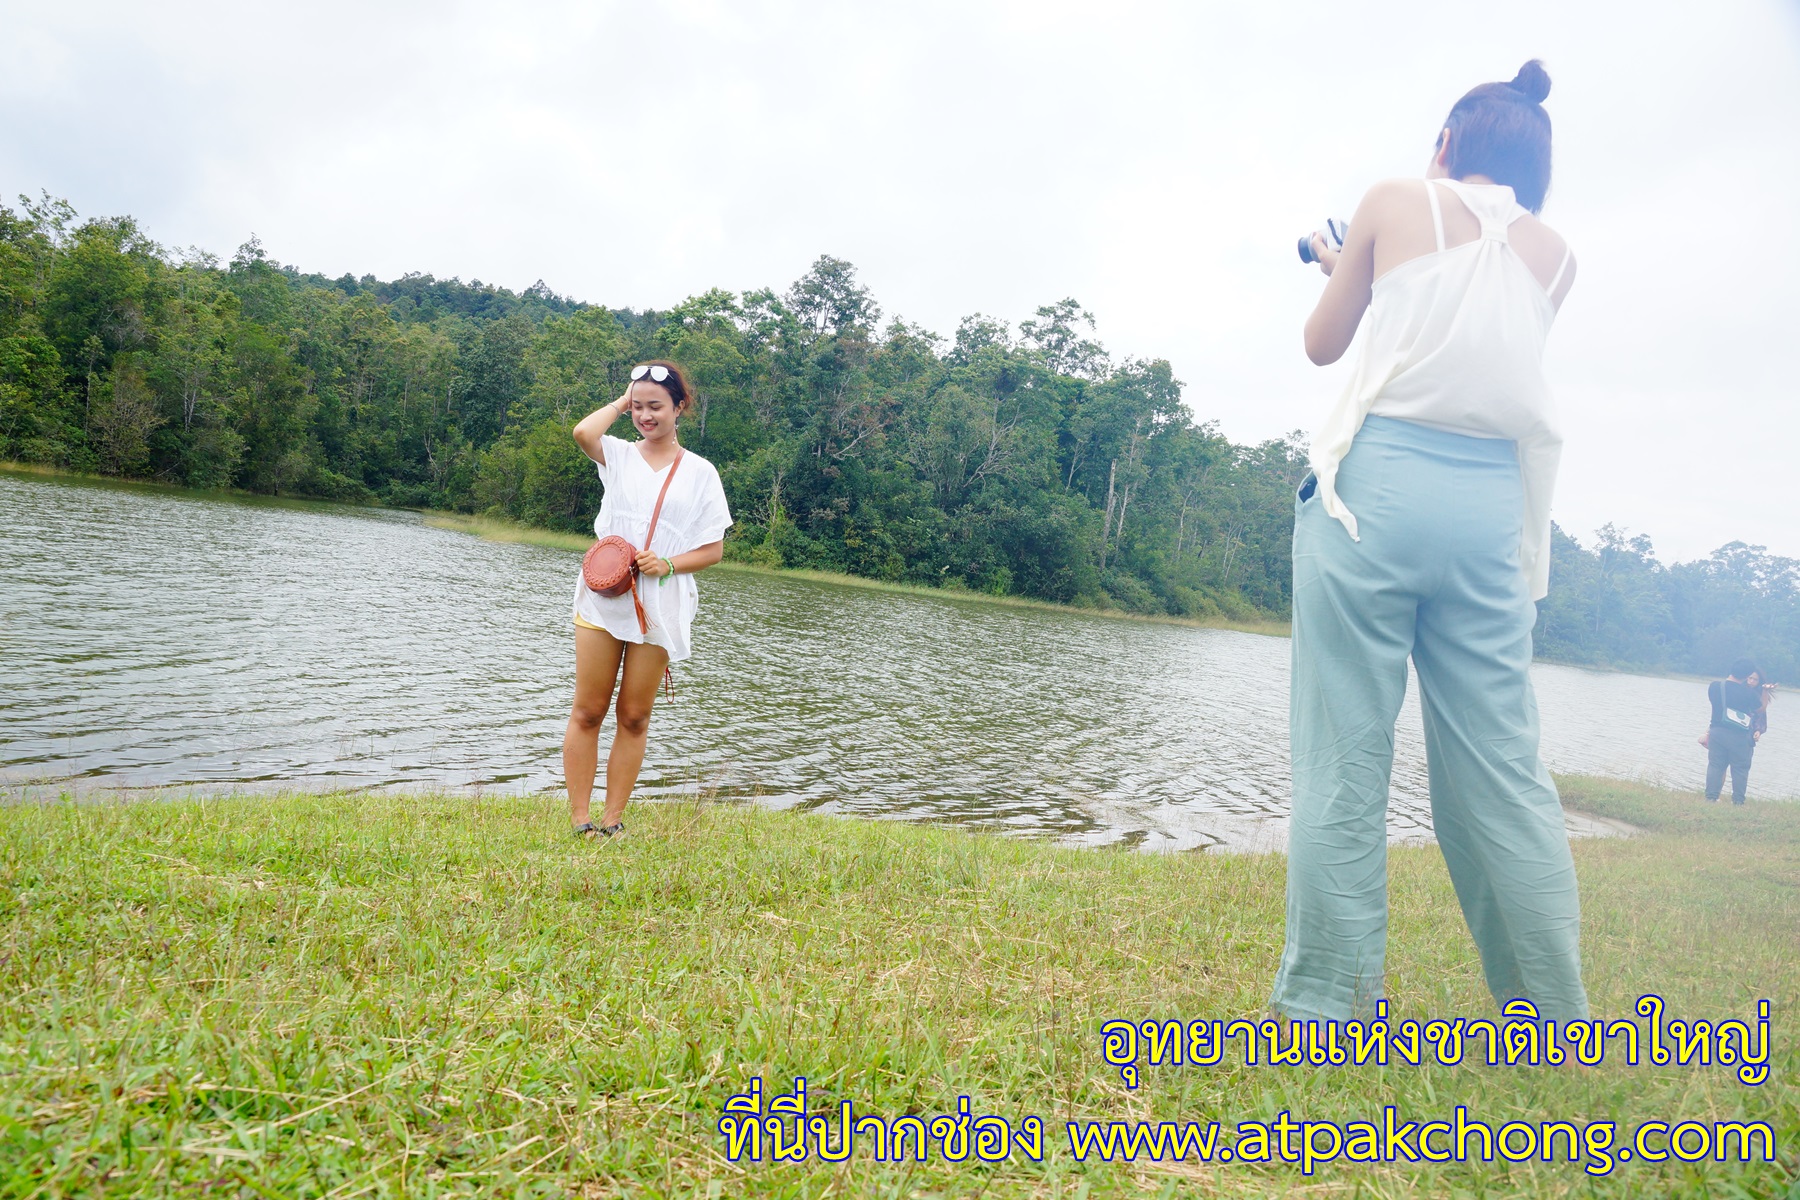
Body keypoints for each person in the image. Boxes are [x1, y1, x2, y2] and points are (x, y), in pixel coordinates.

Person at [1273, 61, 1588, 1022]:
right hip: (1492, 516)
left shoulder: (1394, 199)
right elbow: (1471, 332)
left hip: (1375, 497)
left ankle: (1330, 1006)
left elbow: (1326, 345)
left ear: (1447, 144)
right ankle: (1552, 1015)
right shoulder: (1559, 254)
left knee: (1345, 756)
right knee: (1501, 768)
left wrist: (1344, 267)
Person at [564, 361, 732, 837]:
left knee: (634, 715)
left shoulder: (701, 472)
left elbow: (713, 549)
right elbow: (582, 431)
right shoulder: (616, 454)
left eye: (656, 406)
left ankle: (614, 820)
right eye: (638, 407)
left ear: (680, 407)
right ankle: (581, 820)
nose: (645, 416)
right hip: (604, 596)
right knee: (588, 709)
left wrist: (671, 563)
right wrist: (622, 400)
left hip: (660, 604)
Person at [1703, 659, 1762, 805]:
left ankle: (1710, 798)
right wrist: (1765, 691)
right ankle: (1738, 802)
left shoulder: (1715, 686)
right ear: (1747, 675)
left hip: (1716, 731)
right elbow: (1759, 709)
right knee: (1740, 768)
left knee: (1715, 765)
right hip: (1739, 735)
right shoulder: (1749, 693)